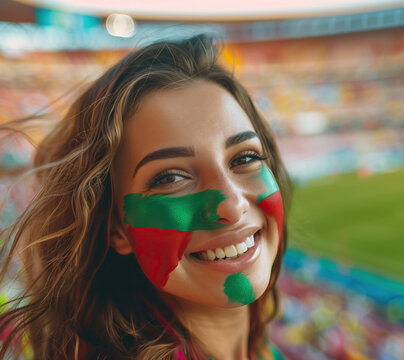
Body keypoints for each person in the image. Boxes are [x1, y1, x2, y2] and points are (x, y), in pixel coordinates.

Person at [0, 34, 292, 359]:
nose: (233, 204)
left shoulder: (265, 350)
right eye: (170, 178)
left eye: (245, 158)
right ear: (115, 228)